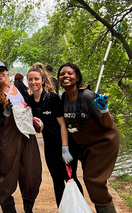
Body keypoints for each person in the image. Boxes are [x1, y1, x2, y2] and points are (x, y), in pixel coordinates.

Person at [57, 62, 120, 213]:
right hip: (85, 145)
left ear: (77, 78)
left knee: (93, 180)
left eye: (70, 73)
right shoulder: (63, 98)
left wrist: (104, 109)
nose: (66, 76)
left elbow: (107, 123)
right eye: (62, 74)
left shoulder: (87, 96)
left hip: (103, 142)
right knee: (91, 180)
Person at [25, 63, 83, 207]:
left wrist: (65, 147)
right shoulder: (30, 101)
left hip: (65, 145)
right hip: (49, 147)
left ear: (43, 80)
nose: (34, 82)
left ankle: (80, 208)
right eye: (30, 79)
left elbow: (63, 125)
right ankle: (63, 209)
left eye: (36, 79)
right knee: (57, 181)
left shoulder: (53, 99)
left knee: (71, 178)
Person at [0, 61, 42, 213]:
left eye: (2, 70)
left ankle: (28, 208)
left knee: (32, 173)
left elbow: (31, 103)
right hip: (7, 138)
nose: (0, 74)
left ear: (7, 71)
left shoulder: (19, 86)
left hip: (27, 135)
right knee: (6, 176)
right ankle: (8, 209)